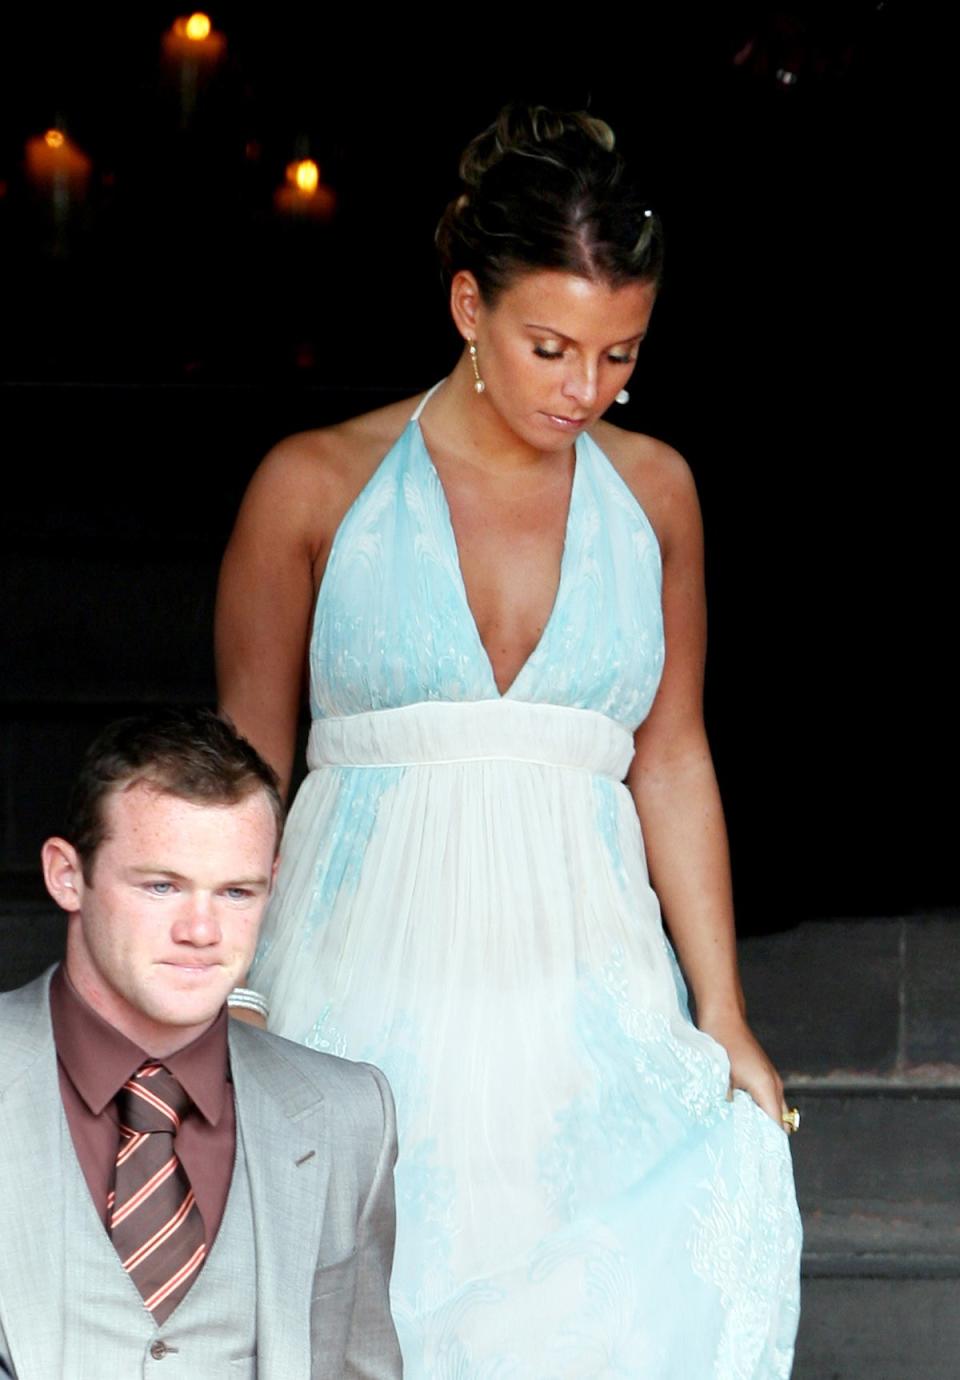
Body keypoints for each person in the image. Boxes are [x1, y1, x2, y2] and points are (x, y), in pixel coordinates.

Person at [217, 105, 802, 1376]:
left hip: (584, 993)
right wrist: (233, 988)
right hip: (353, 984)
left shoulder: (656, 494)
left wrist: (725, 1011)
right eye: (552, 348)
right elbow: (242, 766)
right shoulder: (314, 484)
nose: (587, 390)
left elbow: (675, 754)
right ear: (468, 304)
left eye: (621, 355)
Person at [0, 708, 402, 1380]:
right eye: (161, 885)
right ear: (67, 876)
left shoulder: (347, 1116)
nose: (202, 929)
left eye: (237, 892)